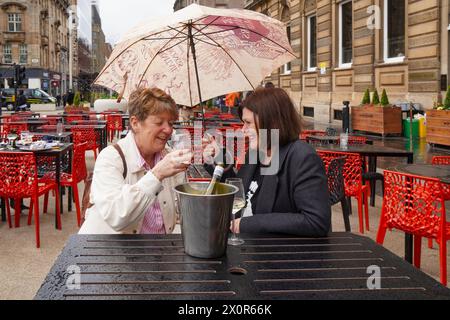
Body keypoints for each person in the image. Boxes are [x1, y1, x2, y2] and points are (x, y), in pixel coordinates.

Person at [204, 88, 331, 237]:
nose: (243, 130)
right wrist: (219, 159)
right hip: (245, 247)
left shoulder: (302, 157)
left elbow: (316, 221)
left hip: (278, 253)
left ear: (272, 122)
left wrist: (248, 224)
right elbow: (239, 191)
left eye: (248, 123)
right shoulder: (256, 153)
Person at [79, 87, 192, 234]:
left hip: (156, 251)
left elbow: (183, 209)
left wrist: (195, 156)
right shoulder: (110, 158)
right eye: (159, 123)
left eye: (170, 123)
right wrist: (157, 174)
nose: (168, 130)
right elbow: (117, 216)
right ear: (135, 123)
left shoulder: (168, 157)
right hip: (112, 253)